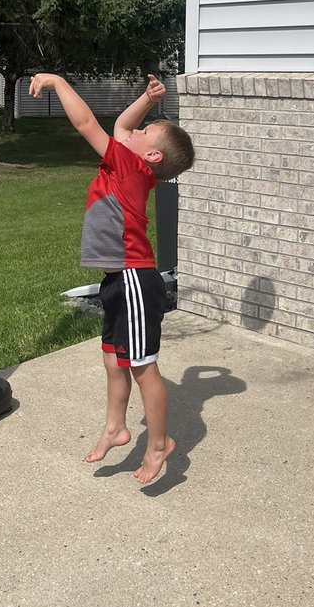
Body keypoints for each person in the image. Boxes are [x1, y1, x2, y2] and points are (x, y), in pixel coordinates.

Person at [28, 72, 195, 484]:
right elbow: (123, 127)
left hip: (135, 280)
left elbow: (90, 124)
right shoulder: (133, 162)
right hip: (117, 281)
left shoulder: (128, 165)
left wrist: (58, 82)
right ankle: (115, 428)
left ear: (151, 157)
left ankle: (159, 445)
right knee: (113, 360)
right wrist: (147, 99)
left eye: (145, 131)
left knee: (144, 368)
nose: (132, 130)